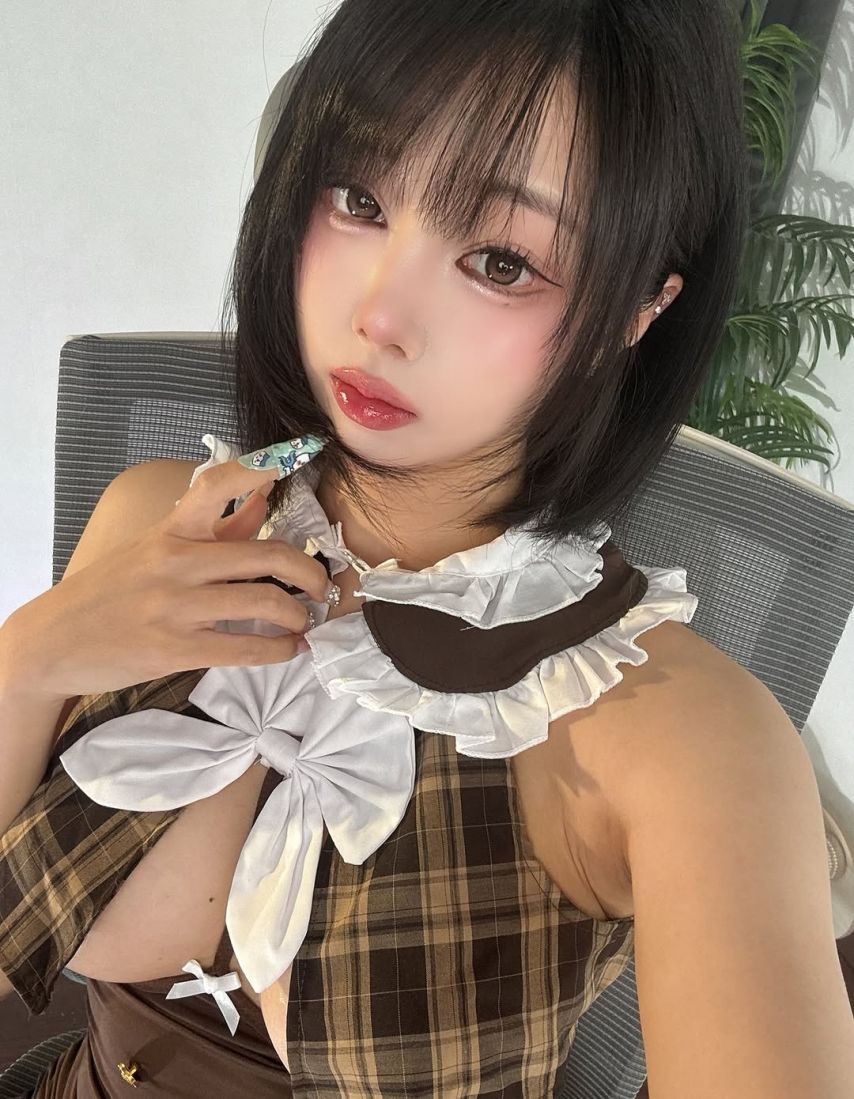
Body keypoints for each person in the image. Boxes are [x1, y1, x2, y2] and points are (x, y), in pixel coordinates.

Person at [6, 2, 845, 1097]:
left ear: (637, 310)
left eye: (500, 259)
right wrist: (32, 657)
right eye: (358, 200)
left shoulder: (685, 739)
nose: (378, 314)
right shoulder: (153, 522)